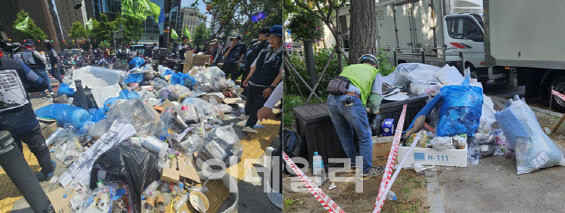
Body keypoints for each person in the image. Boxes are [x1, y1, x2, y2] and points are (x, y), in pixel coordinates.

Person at [0, 39, 56, 181]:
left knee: (14, 155)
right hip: (26, 120)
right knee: (39, 148)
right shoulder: (16, 64)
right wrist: (26, 89)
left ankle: (24, 181)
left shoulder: (19, 60)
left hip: (4, 128)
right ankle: (48, 171)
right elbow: (41, 83)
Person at [326, 54, 384, 179]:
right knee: (365, 136)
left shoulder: (350, 68)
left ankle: (354, 164)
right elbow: (375, 99)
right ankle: (365, 170)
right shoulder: (375, 72)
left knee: (345, 136)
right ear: (374, 65)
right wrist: (374, 111)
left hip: (331, 100)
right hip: (350, 101)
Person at [242, 25, 284, 133]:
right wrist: (247, 79)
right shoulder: (264, 51)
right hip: (253, 83)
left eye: (274, 38)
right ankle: (248, 119)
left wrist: (271, 88)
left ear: (281, 38)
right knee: (249, 104)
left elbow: (281, 74)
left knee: (257, 106)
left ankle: (249, 125)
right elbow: (254, 66)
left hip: (265, 87)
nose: (271, 40)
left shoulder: (282, 54)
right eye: (270, 37)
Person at [242, 27, 271, 93]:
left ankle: (247, 93)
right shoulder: (261, 43)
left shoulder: (266, 45)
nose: (259, 36)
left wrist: (253, 65)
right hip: (251, 66)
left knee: (249, 81)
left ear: (265, 34)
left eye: (260, 34)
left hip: (255, 67)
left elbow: (259, 58)